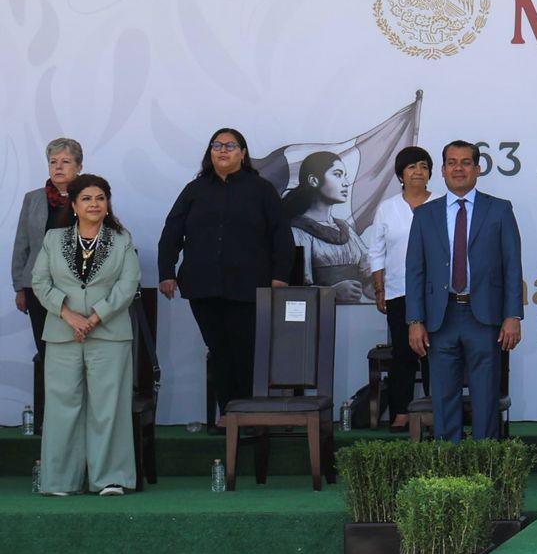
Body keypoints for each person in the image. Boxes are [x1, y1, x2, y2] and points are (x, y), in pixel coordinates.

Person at [158, 128, 293, 421]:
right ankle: (229, 414)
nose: (222, 150)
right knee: (218, 350)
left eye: (230, 146)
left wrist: (280, 275)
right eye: (217, 145)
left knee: (245, 351)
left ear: (243, 154)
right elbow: (172, 232)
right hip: (202, 285)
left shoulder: (261, 189)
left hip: (248, 286)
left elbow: (281, 235)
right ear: (210, 152)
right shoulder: (195, 190)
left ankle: (248, 414)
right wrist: (166, 272)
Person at [407, 140, 524, 444]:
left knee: (486, 396)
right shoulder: (425, 215)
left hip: (484, 317)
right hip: (441, 317)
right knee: (444, 396)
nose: (458, 168)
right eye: (452, 163)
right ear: (442, 171)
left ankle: (485, 461)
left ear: (478, 169)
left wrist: (513, 315)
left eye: (466, 162)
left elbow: (512, 266)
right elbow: (415, 271)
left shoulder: (499, 210)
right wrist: (415, 320)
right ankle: (449, 461)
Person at [31, 175, 141, 496]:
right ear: (75, 205)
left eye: (100, 198)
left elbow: (127, 285)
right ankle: (60, 481)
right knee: (61, 406)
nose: (94, 204)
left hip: (109, 335)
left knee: (108, 407)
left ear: (108, 204)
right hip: (62, 333)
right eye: (87, 198)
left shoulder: (121, 239)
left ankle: (110, 478)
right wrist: (68, 315)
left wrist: (94, 318)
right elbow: (40, 282)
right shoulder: (53, 238)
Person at [11, 138, 83, 427]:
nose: (58, 167)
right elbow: (22, 244)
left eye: (65, 161)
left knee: (74, 352)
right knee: (47, 351)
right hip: (37, 287)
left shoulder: (89, 196)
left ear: (79, 167)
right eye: (53, 162)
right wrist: (19, 286)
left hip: (76, 288)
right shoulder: (33, 198)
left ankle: (77, 416)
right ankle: (52, 419)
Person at [369, 146, 435, 431]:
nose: (418, 171)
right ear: (400, 175)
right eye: (411, 167)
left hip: (435, 293)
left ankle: (434, 408)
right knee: (403, 353)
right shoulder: (388, 208)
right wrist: (380, 289)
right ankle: (402, 411)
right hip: (399, 291)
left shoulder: (442, 203)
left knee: (434, 352)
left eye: (423, 166)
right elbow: (376, 251)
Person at [283, 150, 373, 302]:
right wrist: (332, 292)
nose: (345, 182)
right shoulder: (297, 232)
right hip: (318, 314)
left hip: (354, 315)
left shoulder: (345, 229)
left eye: (345, 176)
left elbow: (368, 277)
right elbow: (295, 289)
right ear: (314, 180)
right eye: (337, 174)